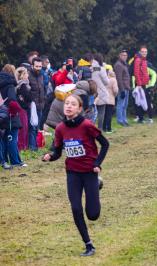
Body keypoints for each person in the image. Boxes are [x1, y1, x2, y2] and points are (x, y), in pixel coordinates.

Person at [42, 94, 109, 256]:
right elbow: (58, 151)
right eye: (67, 103)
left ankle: (97, 183)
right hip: (72, 173)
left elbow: (105, 144)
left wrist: (97, 164)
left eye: (73, 104)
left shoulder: (87, 125)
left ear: (79, 109)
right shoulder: (60, 128)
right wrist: (50, 156)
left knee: (93, 215)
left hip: (89, 172)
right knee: (76, 208)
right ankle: (88, 244)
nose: (69, 106)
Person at [0, 66, 26, 168]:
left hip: (1, 114)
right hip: (10, 115)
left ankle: (4, 160)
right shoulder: (10, 85)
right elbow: (12, 101)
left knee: (4, 140)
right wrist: (16, 111)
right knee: (12, 139)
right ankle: (15, 161)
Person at [28, 57, 46, 151]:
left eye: (40, 66)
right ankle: (32, 147)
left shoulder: (41, 75)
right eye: (36, 66)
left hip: (40, 105)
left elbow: (43, 88)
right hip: (32, 105)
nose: (38, 68)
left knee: (37, 126)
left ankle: (34, 145)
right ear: (32, 65)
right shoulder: (28, 75)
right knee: (32, 127)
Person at [15, 67, 32, 151]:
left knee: (22, 128)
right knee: (23, 128)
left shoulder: (17, 84)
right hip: (22, 109)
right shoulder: (23, 85)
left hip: (19, 108)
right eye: (26, 73)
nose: (28, 75)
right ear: (23, 75)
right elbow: (28, 97)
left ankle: (22, 146)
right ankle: (22, 147)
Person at [92, 53, 109, 131]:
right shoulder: (101, 68)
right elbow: (106, 82)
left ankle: (91, 128)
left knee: (92, 112)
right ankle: (100, 129)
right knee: (101, 111)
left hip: (92, 91)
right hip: (101, 92)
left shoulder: (90, 68)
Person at [133, 45, 150, 123]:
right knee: (140, 100)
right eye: (143, 52)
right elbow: (136, 72)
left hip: (143, 83)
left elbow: (144, 72)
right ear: (140, 52)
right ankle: (140, 118)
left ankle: (141, 117)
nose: (144, 53)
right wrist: (139, 83)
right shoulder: (138, 60)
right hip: (140, 84)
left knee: (143, 100)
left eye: (145, 52)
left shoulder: (144, 60)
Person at [114, 49, 130, 127]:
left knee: (125, 105)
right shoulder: (118, 65)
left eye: (126, 55)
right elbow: (119, 78)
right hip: (122, 88)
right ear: (120, 56)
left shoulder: (124, 64)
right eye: (123, 55)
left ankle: (124, 120)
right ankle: (120, 121)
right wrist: (122, 89)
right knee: (120, 105)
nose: (125, 57)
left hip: (126, 87)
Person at [103, 65, 119, 133]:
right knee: (109, 115)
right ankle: (109, 128)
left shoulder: (104, 79)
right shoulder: (113, 79)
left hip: (104, 99)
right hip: (111, 99)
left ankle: (103, 128)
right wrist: (115, 95)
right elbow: (115, 90)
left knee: (104, 114)